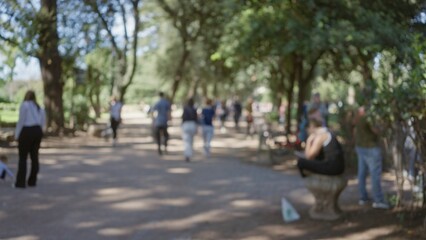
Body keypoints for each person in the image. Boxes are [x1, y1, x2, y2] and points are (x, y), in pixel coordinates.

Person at [354, 106, 390, 209]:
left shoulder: (357, 119)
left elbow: (355, 132)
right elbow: (376, 130)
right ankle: (378, 200)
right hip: (370, 148)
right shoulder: (368, 118)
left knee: (361, 173)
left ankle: (363, 197)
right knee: (374, 174)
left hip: (360, 147)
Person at [14, 90, 46, 188]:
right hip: (37, 131)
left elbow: (21, 121)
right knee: (34, 157)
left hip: (27, 131)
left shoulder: (25, 105)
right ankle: (32, 181)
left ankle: (20, 182)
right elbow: (43, 122)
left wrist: (16, 135)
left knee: (23, 158)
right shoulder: (39, 108)